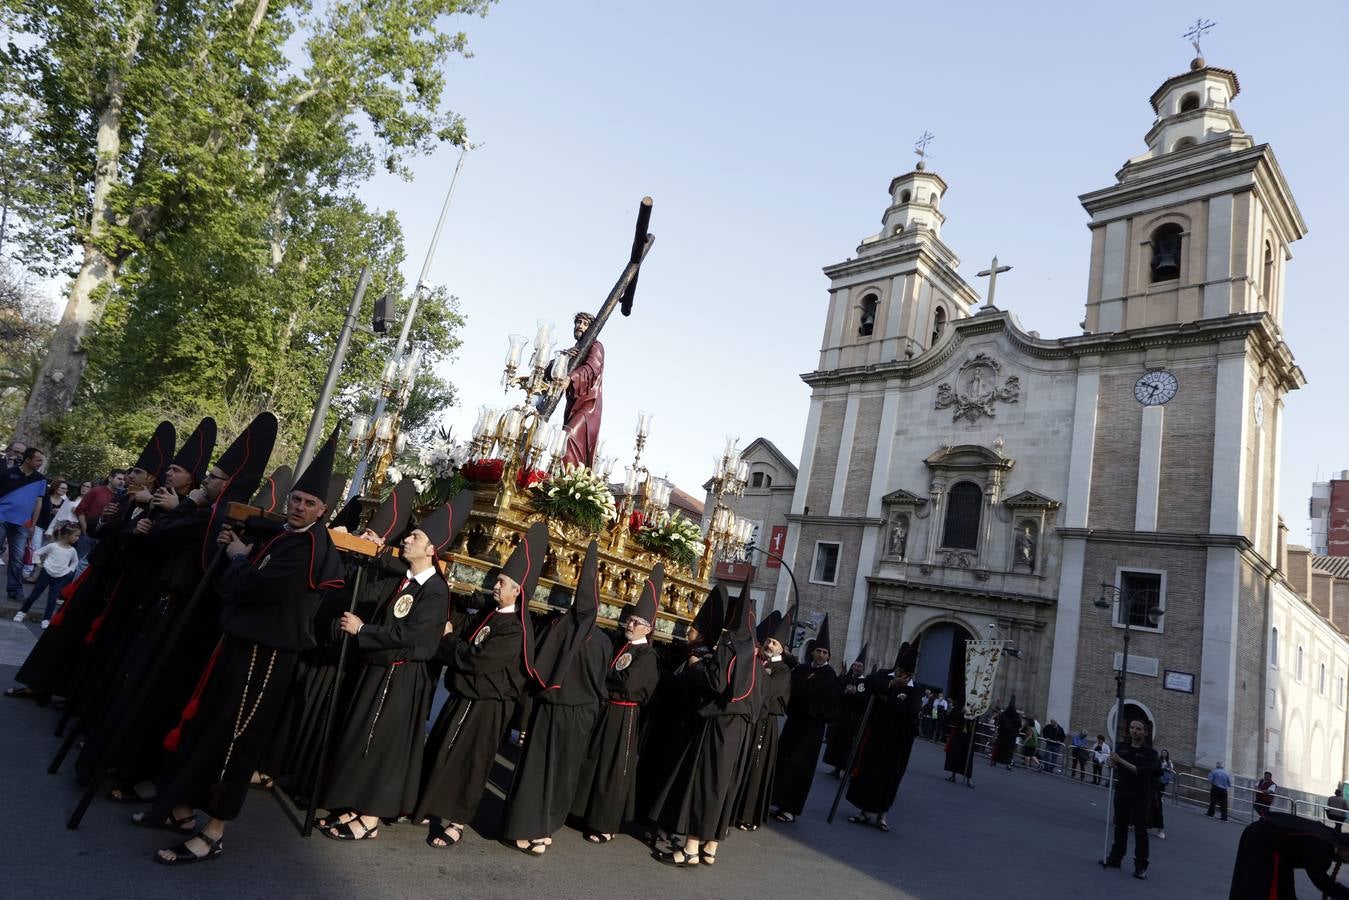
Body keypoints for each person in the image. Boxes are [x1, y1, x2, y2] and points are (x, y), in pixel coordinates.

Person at [139, 429, 345, 865]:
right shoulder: (288, 534)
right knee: (207, 728)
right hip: (242, 646)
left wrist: (237, 558)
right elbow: (257, 547)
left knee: (235, 741)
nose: (299, 506)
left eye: (309, 503)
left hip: (267, 657)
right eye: (295, 498)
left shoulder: (308, 547)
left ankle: (213, 831)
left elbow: (254, 587)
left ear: (323, 510)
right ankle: (179, 809)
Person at [318, 493, 469, 843]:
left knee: (384, 745)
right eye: (409, 534)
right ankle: (355, 804)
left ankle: (370, 818)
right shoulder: (406, 580)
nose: (407, 539)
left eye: (415, 537)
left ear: (432, 550)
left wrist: (363, 631)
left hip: (403, 676)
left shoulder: (435, 591)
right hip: (381, 670)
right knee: (364, 739)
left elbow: (410, 633)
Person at [415, 522, 548, 850]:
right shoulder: (491, 614)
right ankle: (426, 806)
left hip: (488, 706)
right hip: (465, 696)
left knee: (471, 763)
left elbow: (477, 659)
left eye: (501, 582)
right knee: (441, 749)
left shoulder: (514, 629)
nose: (495, 585)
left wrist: (447, 642)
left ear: (518, 590)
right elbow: (465, 640)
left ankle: (457, 822)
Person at [501, 538, 608, 856]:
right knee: (563, 773)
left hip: (551, 710)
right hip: (582, 715)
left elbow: (537, 669)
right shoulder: (601, 640)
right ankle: (545, 830)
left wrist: (524, 716)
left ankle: (524, 831)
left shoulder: (559, 626)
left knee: (537, 769)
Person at [650, 584, 756, 867]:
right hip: (739, 728)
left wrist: (697, 665)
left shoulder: (730, 645)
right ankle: (710, 847)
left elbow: (716, 682)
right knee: (721, 786)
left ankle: (690, 848)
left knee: (703, 782)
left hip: (718, 722)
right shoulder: (752, 653)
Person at [571, 564, 663, 844]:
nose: (629, 624)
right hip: (605, 710)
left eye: (636, 622)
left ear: (647, 628)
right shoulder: (621, 645)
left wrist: (606, 678)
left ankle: (605, 824)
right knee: (592, 759)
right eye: (630, 619)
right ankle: (582, 810)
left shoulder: (647, 655)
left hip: (624, 716)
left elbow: (628, 684)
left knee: (614, 770)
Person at [845, 642, 923, 832]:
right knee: (870, 773)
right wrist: (890, 685)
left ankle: (882, 814)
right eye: (901, 673)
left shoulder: (916, 691)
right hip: (878, 737)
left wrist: (890, 700)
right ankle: (864, 810)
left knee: (890, 778)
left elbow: (907, 710)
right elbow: (868, 683)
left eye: (908, 675)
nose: (904, 677)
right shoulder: (884, 678)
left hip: (899, 743)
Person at [770, 614, 838, 823]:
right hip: (795, 722)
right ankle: (774, 800)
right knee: (783, 759)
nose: (820, 655)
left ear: (828, 656)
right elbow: (794, 684)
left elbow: (816, 692)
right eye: (818, 651)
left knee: (800, 767)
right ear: (813, 652)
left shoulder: (830, 675)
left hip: (812, 729)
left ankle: (790, 808)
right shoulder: (802, 669)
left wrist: (806, 685)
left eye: (824, 652)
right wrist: (805, 684)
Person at [731, 607, 794, 831]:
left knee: (756, 769)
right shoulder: (759, 662)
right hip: (750, 718)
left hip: (764, 724)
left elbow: (767, 692)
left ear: (782, 649)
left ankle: (748, 815)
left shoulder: (782, 670)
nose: (769, 645)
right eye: (768, 640)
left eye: (774, 643)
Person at [1228, 811, 1349, 899]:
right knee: (1264, 891)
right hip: (1264, 841)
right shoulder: (1322, 846)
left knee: (1285, 891)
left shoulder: (1328, 836)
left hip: (1279, 850)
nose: (1346, 862)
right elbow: (1321, 880)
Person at [1101, 719, 1160, 879]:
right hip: (1122, 792)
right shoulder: (1121, 747)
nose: (1134, 731)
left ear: (1145, 732)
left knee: (1140, 831)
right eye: (1132, 728)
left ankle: (1141, 865)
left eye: (1139, 728)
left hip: (1140, 796)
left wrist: (1120, 761)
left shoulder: (1151, 754)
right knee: (1120, 826)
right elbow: (1115, 765)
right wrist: (1111, 763)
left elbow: (1140, 771)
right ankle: (1116, 857)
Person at [554, 311, 604, 468]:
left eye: (585, 324)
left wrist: (571, 378)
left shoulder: (596, 346)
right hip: (573, 404)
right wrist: (564, 357)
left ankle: (570, 480)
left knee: (569, 437)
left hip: (588, 406)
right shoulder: (574, 350)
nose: (580, 326)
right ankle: (561, 475)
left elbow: (591, 369)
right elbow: (553, 370)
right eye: (578, 322)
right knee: (562, 439)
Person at [0, 446, 46, 603]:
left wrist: (33, 524)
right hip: (2, 518)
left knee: (18, 558)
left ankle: (14, 590)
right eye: (38, 460)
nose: (41, 463)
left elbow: (38, 503)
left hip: (22, 524)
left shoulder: (40, 479)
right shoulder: (7, 473)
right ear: (28, 459)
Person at [13, 523, 80, 627]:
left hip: (60, 576)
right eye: (75, 535)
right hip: (46, 573)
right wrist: (39, 563)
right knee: (34, 595)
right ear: (67, 535)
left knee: (52, 599)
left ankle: (46, 619)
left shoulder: (72, 551)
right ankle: (22, 612)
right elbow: (37, 553)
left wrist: (69, 571)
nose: (77, 538)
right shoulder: (53, 546)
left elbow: (75, 562)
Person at [824, 645, 867, 776]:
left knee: (848, 746)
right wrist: (844, 690)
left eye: (859, 666)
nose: (856, 668)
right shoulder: (846, 678)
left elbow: (864, 700)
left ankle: (846, 770)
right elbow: (836, 693)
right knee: (836, 742)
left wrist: (855, 694)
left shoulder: (864, 682)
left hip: (853, 719)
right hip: (841, 716)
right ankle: (836, 768)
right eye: (855, 665)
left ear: (863, 668)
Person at [943, 707, 977, 787]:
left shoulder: (977, 707)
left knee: (968, 757)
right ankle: (953, 775)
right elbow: (954, 717)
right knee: (956, 753)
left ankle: (969, 778)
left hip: (969, 734)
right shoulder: (961, 705)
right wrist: (961, 712)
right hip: (959, 732)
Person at [990, 698, 1021, 769]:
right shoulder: (1016, 716)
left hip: (1003, 735)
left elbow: (997, 722)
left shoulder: (1004, 714)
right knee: (1009, 752)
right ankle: (1008, 764)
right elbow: (1019, 725)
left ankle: (994, 760)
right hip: (1011, 737)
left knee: (999, 748)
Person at [1153, 748, 1174, 839]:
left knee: (1157, 807)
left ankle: (1160, 830)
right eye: (1163, 752)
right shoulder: (1158, 760)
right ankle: (1132, 822)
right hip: (1154, 781)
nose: (1164, 753)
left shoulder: (1168, 761)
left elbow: (1171, 769)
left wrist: (1166, 768)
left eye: (1165, 752)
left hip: (1160, 781)